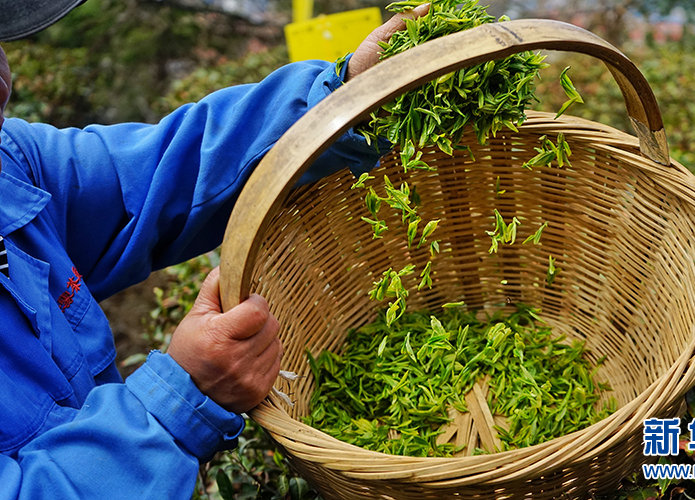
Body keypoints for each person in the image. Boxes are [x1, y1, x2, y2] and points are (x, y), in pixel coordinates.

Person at [0, 1, 428, 498]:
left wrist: (347, 94)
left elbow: (170, 169)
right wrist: (172, 405)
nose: (3, 84)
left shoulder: (12, 166)